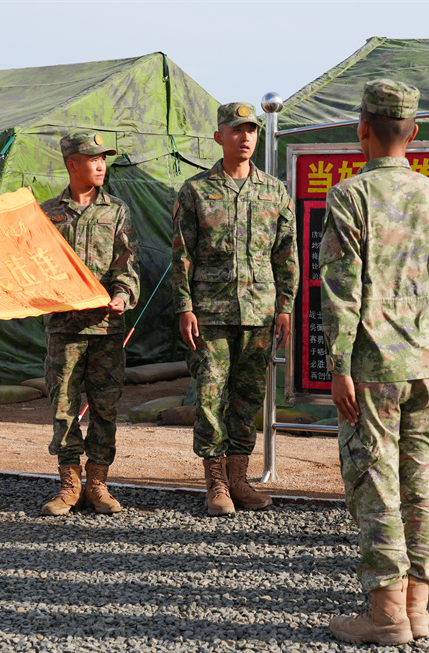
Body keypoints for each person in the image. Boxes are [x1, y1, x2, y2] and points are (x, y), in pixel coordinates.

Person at [320, 80, 429, 645]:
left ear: (363, 129)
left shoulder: (350, 196)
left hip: (374, 368)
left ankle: (386, 615)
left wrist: (339, 365)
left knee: (378, 487)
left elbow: (341, 290)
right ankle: (417, 609)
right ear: (414, 133)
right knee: (423, 487)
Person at [171, 102, 299, 516]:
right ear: (219, 136)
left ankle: (239, 477)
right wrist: (184, 306)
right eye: (237, 130)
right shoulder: (195, 191)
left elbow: (286, 254)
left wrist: (285, 306)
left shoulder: (274, 191)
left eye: (252, 130)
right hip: (209, 313)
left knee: (247, 398)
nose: (246, 137)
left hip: (259, 312)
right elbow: (182, 255)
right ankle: (216, 483)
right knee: (210, 395)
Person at [39, 132, 139, 516]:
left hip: (106, 329)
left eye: (103, 159)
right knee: (63, 407)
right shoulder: (48, 214)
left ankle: (97, 483)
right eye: (93, 158)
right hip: (64, 328)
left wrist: (122, 296)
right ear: (72, 164)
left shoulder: (117, 211)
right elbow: (36, 266)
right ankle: (69, 484)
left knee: (105, 407)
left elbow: (128, 265)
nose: (100, 165)